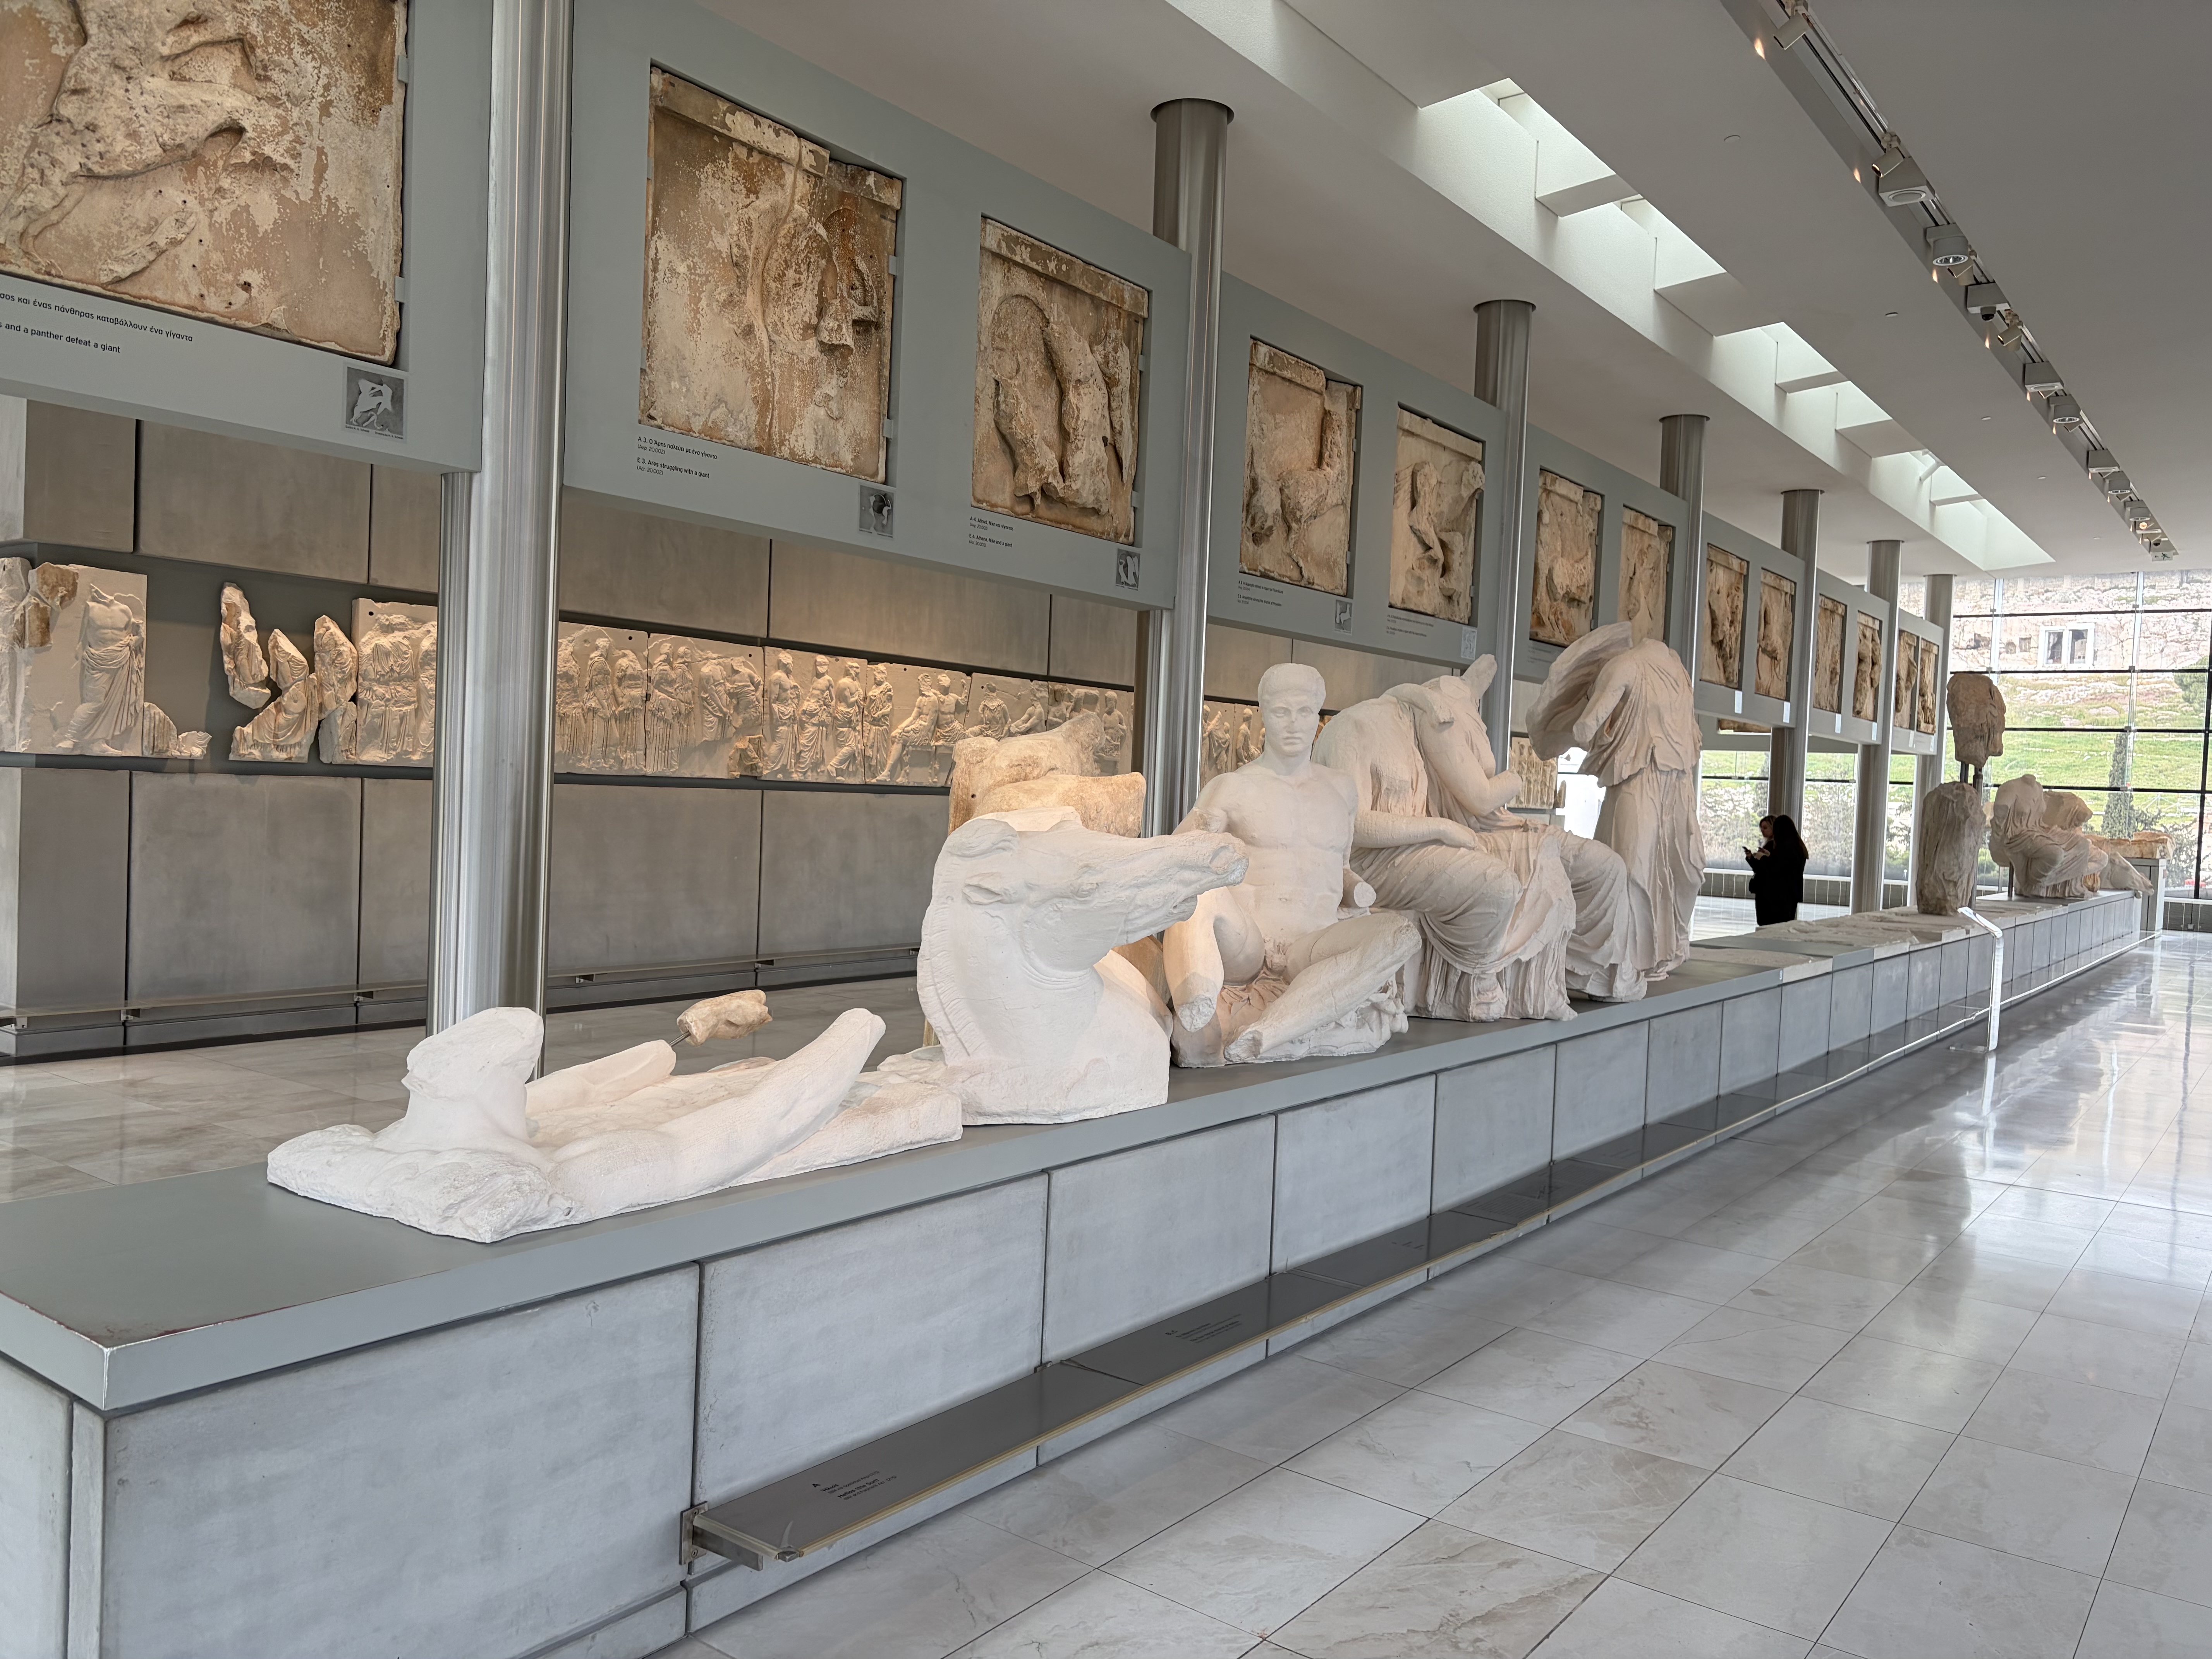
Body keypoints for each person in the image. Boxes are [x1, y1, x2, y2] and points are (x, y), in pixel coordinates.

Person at [1750, 814, 1809, 925]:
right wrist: (1769, 856)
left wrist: (1762, 858)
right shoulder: (1797, 845)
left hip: (1778, 896)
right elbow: (1783, 864)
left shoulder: (1786, 846)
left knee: (1773, 926)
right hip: (1791, 893)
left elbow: (1776, 869)